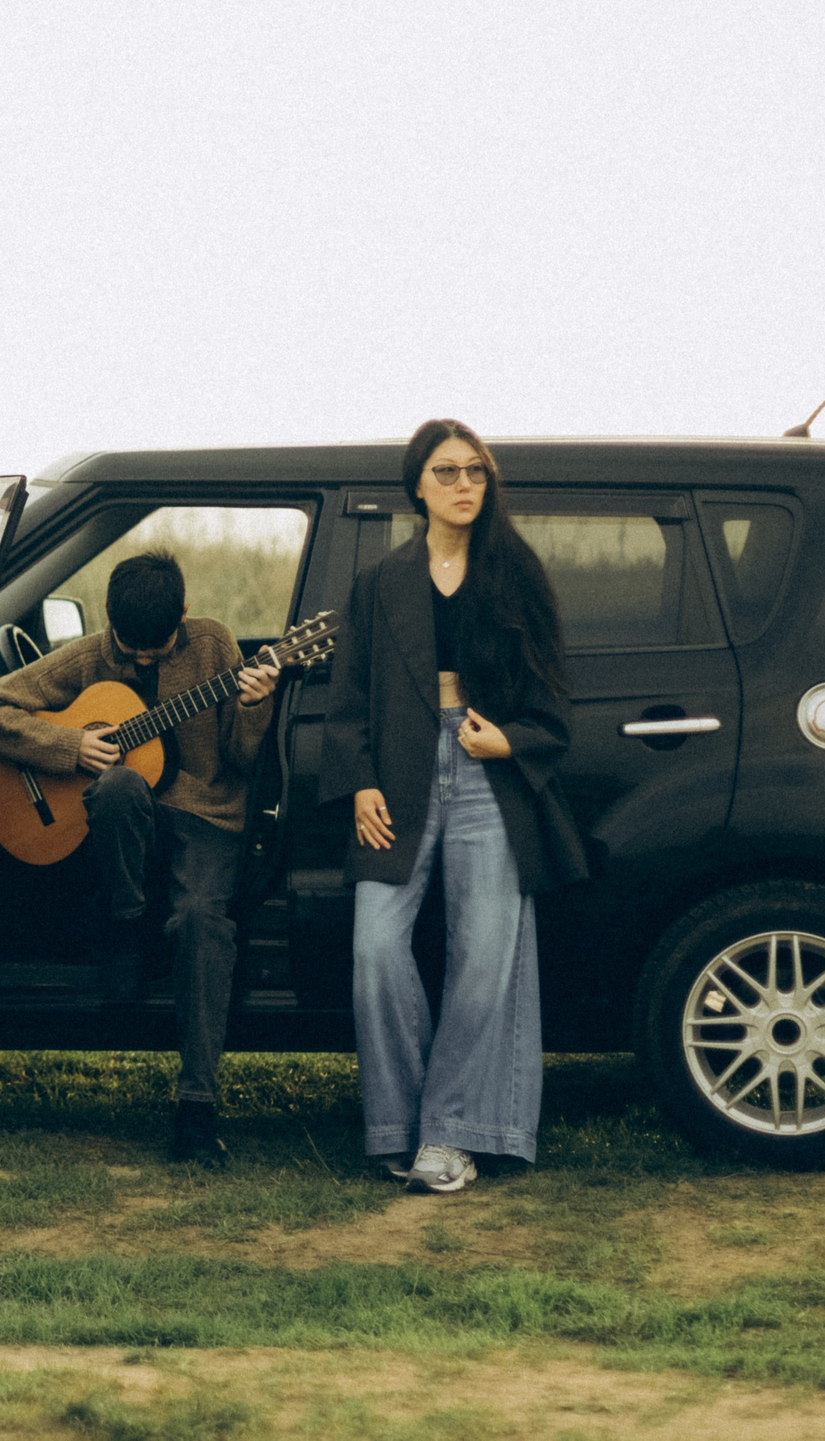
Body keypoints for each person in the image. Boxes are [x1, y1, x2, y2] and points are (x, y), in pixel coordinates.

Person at [325, 421, 587, 1194]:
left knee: (484, 957)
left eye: (476, 471)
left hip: (487, 771)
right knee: (375, 948)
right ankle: (398, 1126)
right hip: (397, 772)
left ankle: (450, 1135)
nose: (465, 483)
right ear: (417, 485)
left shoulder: (517, 572)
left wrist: (510, 739)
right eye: (447, 471)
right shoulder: (381, 582)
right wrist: (361, 781)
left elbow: (553, 701)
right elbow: (350, 696)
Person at [0, 551, 283, 1168]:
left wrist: (255, 706)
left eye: (158, 647)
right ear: (109, 619)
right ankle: (126, 927)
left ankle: (197, 1108)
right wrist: (68, 744)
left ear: (185, 614)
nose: (144, 659)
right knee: (118, 785)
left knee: (202, 922)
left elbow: (243, 761)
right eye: (130, 647)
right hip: (127, 829)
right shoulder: (90, 655)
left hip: (206, 815)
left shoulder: (215, 646)